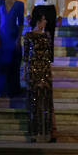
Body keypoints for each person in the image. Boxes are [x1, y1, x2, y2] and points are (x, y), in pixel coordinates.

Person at [23, 10, 56, 143]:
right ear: (38, 21)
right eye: (43, 19)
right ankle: (34, 133)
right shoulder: (28, 35)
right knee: (34, 101)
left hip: (45, 69)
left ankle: (48, 133)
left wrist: (49, 71)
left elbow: (49, 56)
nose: (46, 22)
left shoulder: (47, 35)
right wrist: (25, 72)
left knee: (47, 101)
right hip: (33, 69)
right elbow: (25, 56)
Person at [0, 0, 24, 96]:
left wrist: (19, 38)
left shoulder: (20, 4)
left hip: (13, 36)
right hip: (2, 36)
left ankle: (12, 90)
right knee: (1, 64)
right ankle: (1, 89)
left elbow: (21, 24)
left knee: (13, 64)